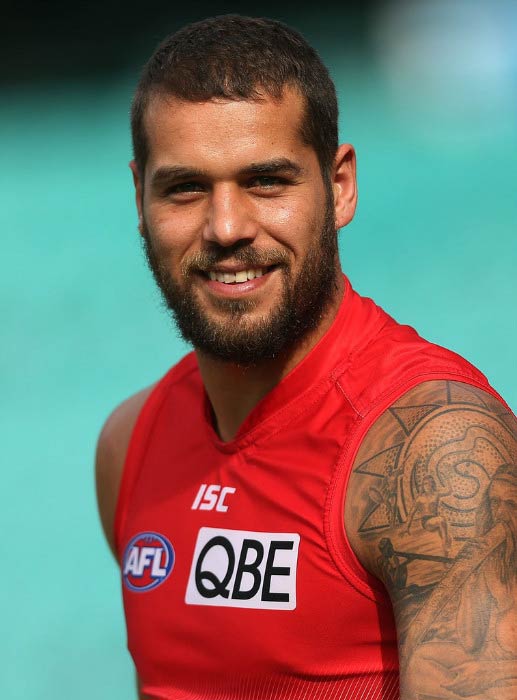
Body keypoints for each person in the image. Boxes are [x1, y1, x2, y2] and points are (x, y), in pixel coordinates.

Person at [95, 15, 517, 700]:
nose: (226, 228)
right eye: (185, 188)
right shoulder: (130, 445)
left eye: (265, 182)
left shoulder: (431, 452)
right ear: (139, 198)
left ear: (340, 186)